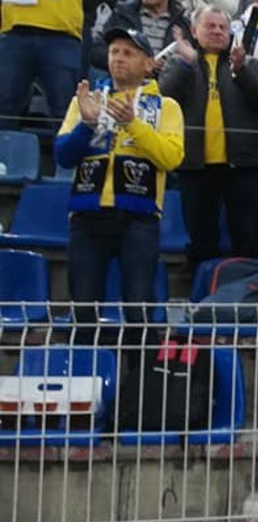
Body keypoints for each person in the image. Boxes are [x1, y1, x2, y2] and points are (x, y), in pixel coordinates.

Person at [53, 28, 184, 324]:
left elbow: (171, 158)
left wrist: (133, 124)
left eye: (128, 53)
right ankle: (85, 355)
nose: (119, 58)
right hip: (87, 214)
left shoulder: (166, 106)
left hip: (140, 216)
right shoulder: (85, 100)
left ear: (148, 64)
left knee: (139, 309)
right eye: (114, 52)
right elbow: (63, 156)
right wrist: (87, 125)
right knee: (83, 308)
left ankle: (140, 356)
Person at [159, 6, 258, 268]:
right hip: (194, 166)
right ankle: (203, 289)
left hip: (242, 165)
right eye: (210, 26)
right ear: (194, 31)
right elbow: (164, 100)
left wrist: (242, 71)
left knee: (247, 240)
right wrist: (186, 65)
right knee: (201, 241)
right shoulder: (178, 62)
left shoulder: (248, 62)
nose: (218, 31)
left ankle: (246, 290)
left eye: (223, 27)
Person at [91, 0, 190, 72]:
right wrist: (135, 63)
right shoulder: (121, 15)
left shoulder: (183, 21)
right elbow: (97, 51)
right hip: (129, 81)